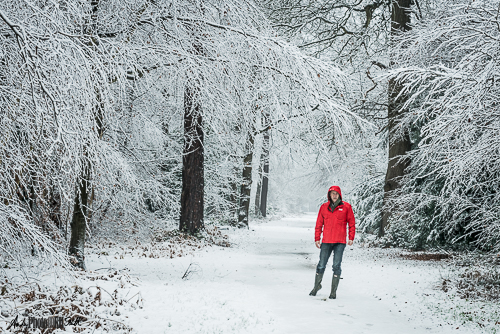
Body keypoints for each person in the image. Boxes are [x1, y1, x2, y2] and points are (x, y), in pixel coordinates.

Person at [309, 185, 355, 299]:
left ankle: (333, 292)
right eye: (332, 193)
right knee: (321, 265)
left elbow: (352, 223)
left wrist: (351, 237)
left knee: (336, 265)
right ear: (329, 195)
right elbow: (319, 224)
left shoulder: (346, 207)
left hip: (340, 242)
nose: (334, 195)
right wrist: (317, 238)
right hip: (326, 241)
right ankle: (316, 286)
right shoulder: (324, 207)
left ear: (339, 195)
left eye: (336, 193)